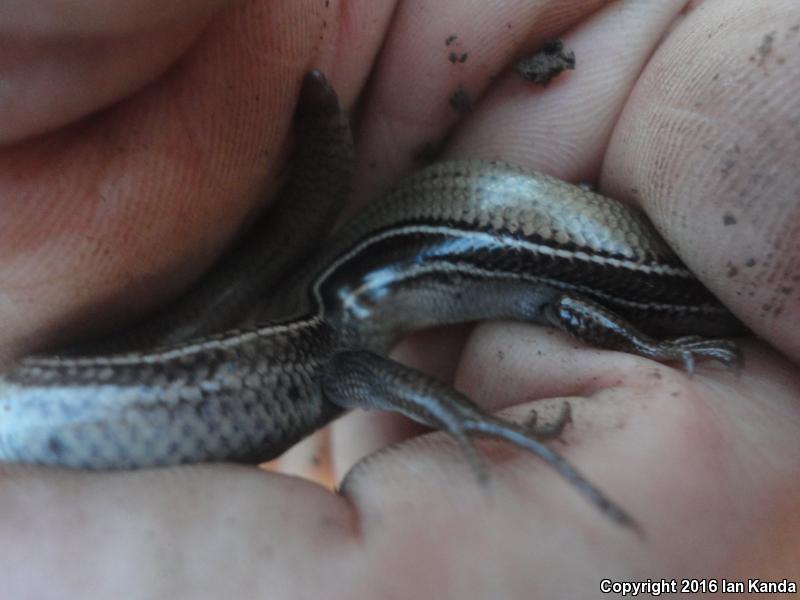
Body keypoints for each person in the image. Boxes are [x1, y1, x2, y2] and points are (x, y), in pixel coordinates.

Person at [1, 0, 798, 597]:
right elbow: (565, 309)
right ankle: (470, 422)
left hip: (341, 309)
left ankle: (469, 420)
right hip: (333, 322)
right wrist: (653, 348)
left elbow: (562, 305)